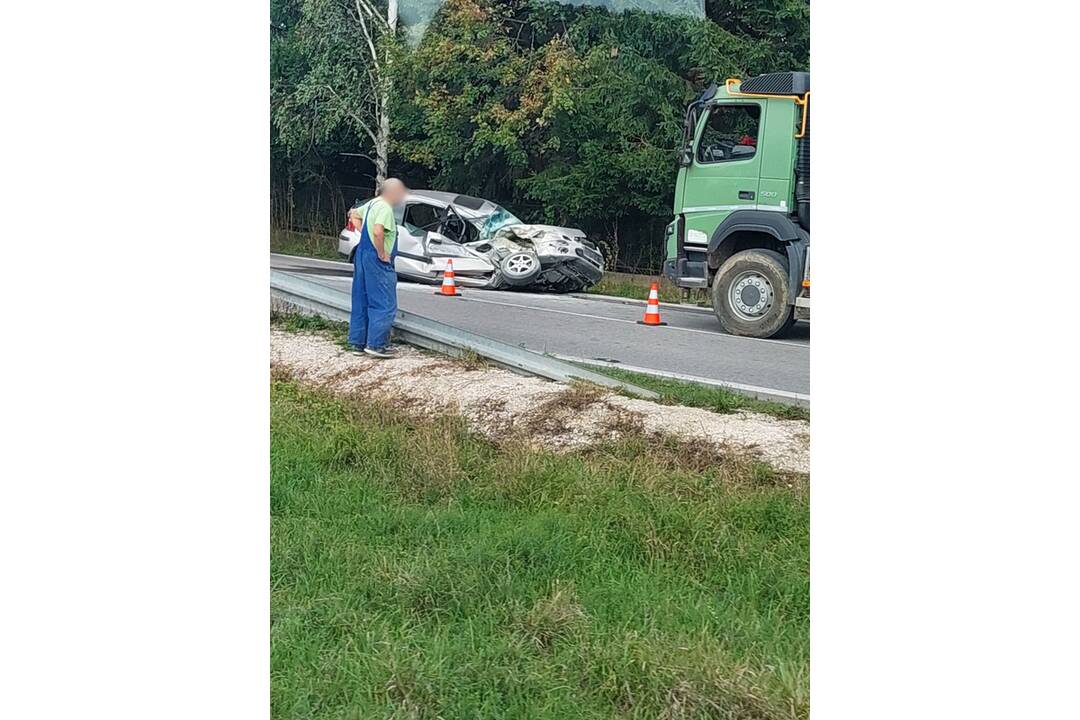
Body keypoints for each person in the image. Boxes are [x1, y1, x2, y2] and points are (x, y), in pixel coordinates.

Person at [347, 178, 407, 358]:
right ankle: (376, 345)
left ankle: (358, 343)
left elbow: (353, 214)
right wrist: (381, 252)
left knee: (361, 299)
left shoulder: (373, 203)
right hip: (377, 259)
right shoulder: (385, 208)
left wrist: (365, 237)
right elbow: (378, 230)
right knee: (384, 302)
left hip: (363, 255)